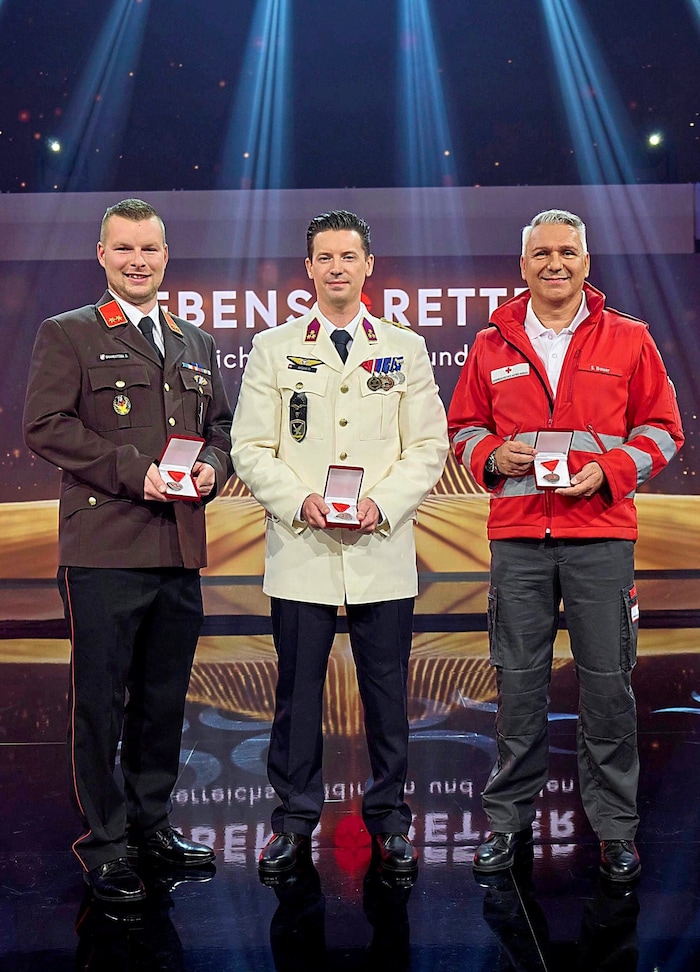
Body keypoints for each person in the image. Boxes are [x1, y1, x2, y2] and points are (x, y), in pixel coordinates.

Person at [448, 209, 684, 883]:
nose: (556, 263)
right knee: (517, 687)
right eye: (542, 253)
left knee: (608, 689)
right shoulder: (492, 343)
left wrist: (608, 472)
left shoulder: (630, 340)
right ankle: (507, 825)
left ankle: (614, 830)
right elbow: (463, 430)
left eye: (568, 252)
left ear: (587, 262)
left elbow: (664, 432)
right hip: (519, 539)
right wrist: (496, 453)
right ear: (523, 265)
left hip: (600, 536)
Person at [23, 198, 233, 903]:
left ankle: (152, 827)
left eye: (149, 249)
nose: (138, 260)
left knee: (164, 701)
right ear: (102, 255)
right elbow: (45, 425)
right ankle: (105, 841)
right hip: (105, 548)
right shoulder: (71, 334)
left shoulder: (195, 342)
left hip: (177, 549)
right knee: (101, 705)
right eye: (124, 249)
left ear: (166, 257)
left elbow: (222, 430)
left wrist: (214, 469)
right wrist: (129, 469)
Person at [231, 210, 448, 880]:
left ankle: (390, 820)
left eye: (348, 257)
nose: (336, 269)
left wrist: (382, 504)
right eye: (324, 258)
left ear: (369, 265)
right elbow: (250, 447)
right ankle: (294, 821)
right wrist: (302, 502)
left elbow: (429, 447)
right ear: (309, 269)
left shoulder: (405, 347)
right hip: (303, 551)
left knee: (388, 695)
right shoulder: (275, 347)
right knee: (297, 695)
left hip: (382, 549)